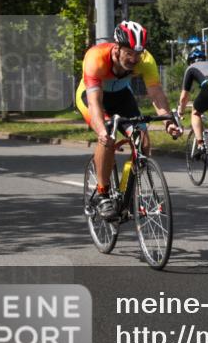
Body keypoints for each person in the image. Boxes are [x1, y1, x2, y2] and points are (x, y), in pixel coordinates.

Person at [76, 21, 182, 220]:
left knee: (143, 142)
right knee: (107, 138)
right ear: (117, 48)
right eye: (129, 53)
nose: (134, 59)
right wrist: (102, 131)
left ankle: (128, 194)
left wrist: (168, 122)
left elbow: (156, 94)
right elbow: (94, 102)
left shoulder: (146, 60)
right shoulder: (95, 58)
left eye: (138, 53)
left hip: (122, 97)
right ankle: (102, 194)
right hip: (93, 97)